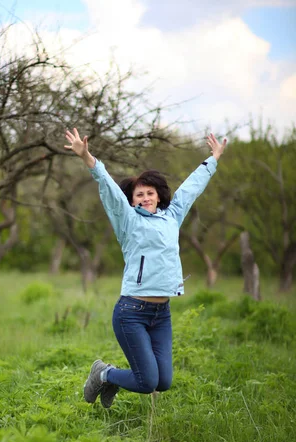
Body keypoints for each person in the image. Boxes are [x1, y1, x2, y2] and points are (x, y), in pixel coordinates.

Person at [64, 128, 227, 408]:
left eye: (150, 193)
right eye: (139, 194)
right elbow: (109, 189)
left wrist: (212, 160)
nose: (145, 198)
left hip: (161, 314)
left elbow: (189, 190)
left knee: (163, 382)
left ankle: (110, 378)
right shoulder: (127, 220)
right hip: (131, 312)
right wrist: (87, 157)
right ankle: (103, 373)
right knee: (146, 381)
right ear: (133, 200)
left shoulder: (171, 217)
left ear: (159, 196)